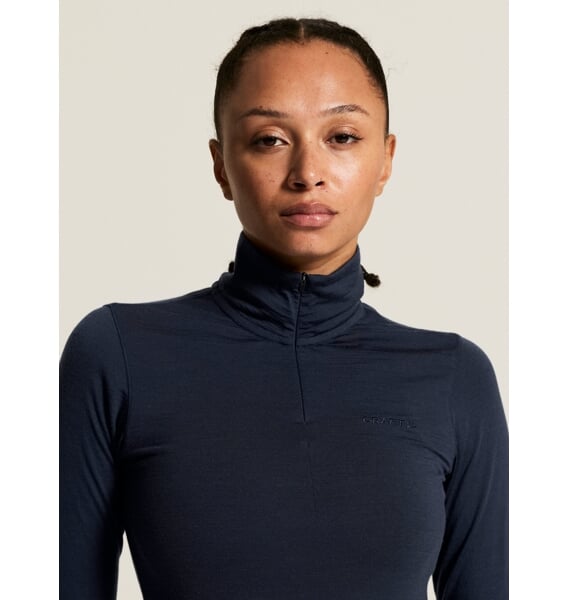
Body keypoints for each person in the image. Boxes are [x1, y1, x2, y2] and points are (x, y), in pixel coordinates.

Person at [60, 17, 508, 600]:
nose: (307, 174)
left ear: (386, 160)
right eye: (269, 139)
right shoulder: (118, 355)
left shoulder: (454, 379)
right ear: (221, 165)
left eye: (341, 137)